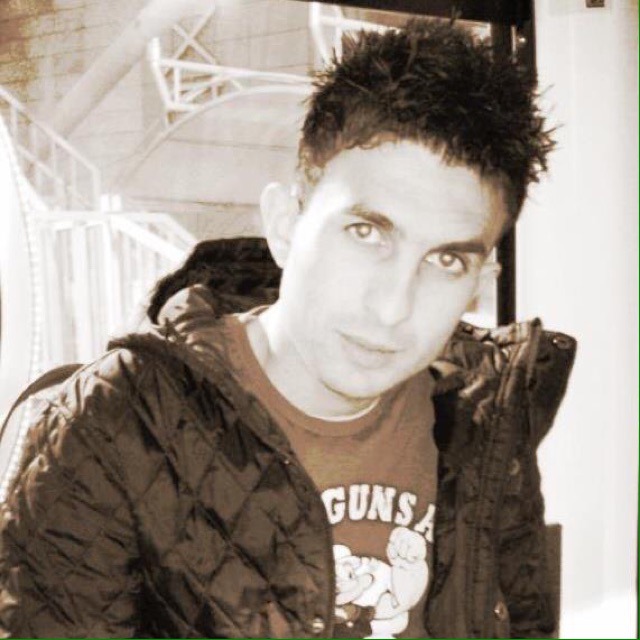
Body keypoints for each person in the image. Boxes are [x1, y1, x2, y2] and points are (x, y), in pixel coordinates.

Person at [0, 20, 575, 638]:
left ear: (481, 280)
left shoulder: (487, 423)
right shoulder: (114, 425)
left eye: (446, 260)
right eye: (366, 232)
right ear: (284, 224)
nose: (392, 308)